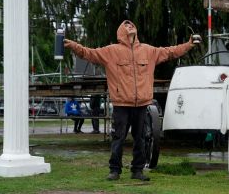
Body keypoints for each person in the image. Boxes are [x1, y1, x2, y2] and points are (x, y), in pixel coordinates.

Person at [64, 20, 198, 181]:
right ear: (121, 31)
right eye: (126, 25)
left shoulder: (149, 51)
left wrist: (189, 44)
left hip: (142, 104)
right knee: (118, 138)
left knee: (140, 138)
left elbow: (170, 52)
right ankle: (114, 170)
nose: (130, 26)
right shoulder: (111, 51)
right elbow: (88, 53)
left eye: (132, 25)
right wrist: (73, 45)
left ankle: (137, 171)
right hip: (121, 104)